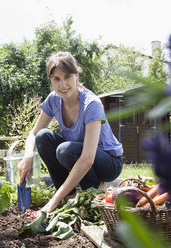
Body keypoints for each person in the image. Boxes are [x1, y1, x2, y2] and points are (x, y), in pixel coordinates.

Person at [17, 51, 123, 213]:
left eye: (67, 77)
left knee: (65, 151)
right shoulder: (53, 99)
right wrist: (28, 155)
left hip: (108, 162)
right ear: (51, 81)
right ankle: (70, 197)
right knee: (43, 137)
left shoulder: (91, 104)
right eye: (56, 79)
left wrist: (52, 202)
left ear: (76, 76)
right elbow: (33, 134)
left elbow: (87, 158)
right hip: (81, 154)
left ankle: (94, 191)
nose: (63, 85)